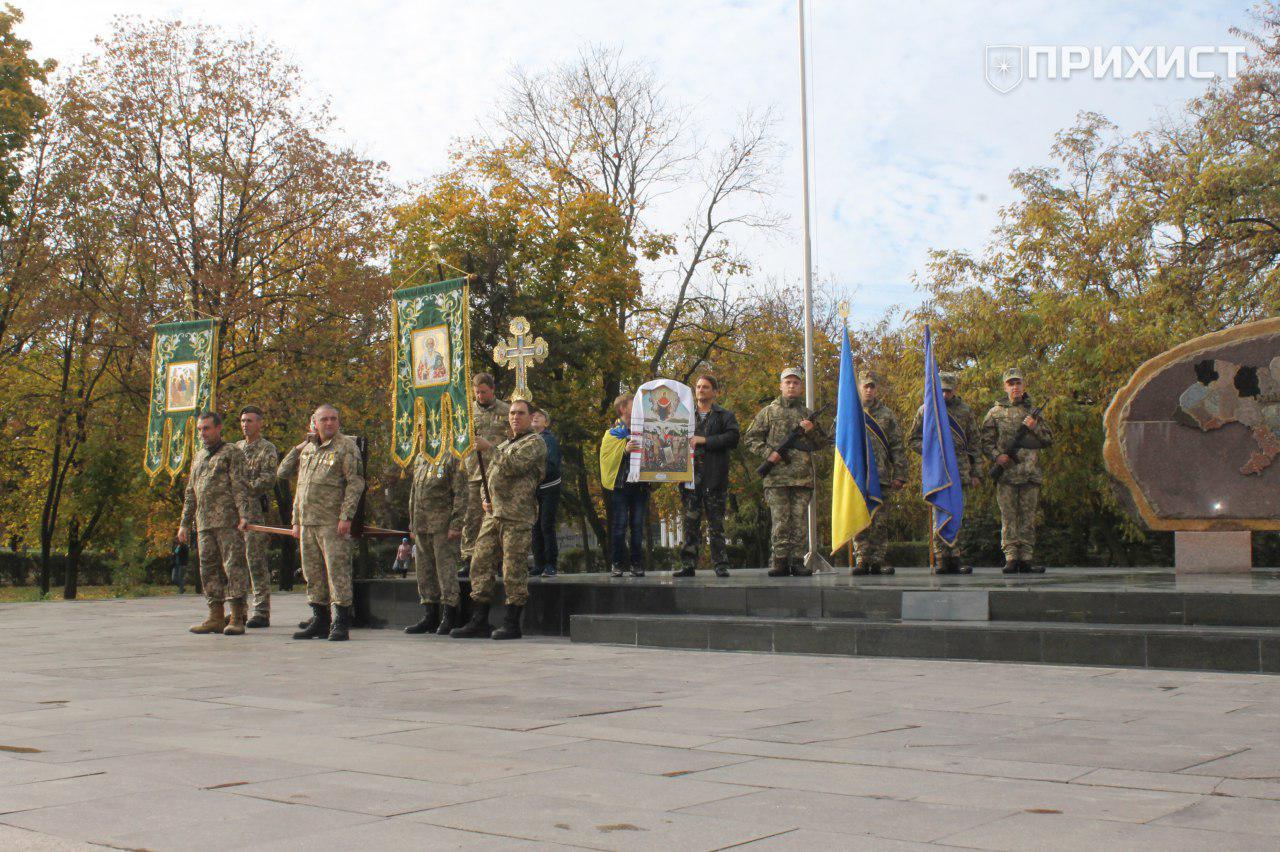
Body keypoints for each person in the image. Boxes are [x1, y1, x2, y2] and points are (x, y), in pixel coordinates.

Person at [451, 398, 547, 640]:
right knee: (480, 563)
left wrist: (488, 449)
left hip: (516, 516)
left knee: (513, 568)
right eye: (512, 413)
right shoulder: (504, 444)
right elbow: (490, 477)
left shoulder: (535, 443)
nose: (515, 417)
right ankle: (479, 619)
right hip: (493, 515)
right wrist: (485, 497)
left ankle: (512, 622)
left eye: (521, 413)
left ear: (530, 417)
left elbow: (512, 466)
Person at [276, 404, 366, 641]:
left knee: (337, 572)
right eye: (324, 419)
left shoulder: (346, 446)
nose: (329, 423)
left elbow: (355, 483)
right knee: (312, 573)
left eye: (333, 419)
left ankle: (340, 621)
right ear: (314, 422)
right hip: (307, 521)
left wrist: (346, 516)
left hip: (331, 522)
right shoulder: (308, 449)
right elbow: (292, 480)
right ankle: (319, 619)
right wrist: (295, 520)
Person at [744, 368, 828, 577]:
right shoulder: (768, 412)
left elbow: (821, 443)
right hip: (776, 478)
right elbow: (751, 438)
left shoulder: (807, 414)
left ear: (801, 387)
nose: (791, 386)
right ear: (781, 385)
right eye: (788, 382)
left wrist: (812, 430)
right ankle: (780, 561)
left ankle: (798, 561)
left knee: (799, 522)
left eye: (796, 383)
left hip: (802, 479)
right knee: (780, 521)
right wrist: (769, 454)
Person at [177, 412, 254, 635]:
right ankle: (215, 615)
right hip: (204, 523)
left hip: (228, 521)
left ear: (218, 428)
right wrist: (184, 523)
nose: (203, 433)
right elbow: (191, 491)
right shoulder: (199, 456)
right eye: (200, 429)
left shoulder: (231, 452)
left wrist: (244, 515)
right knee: (207, 568)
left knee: (233, 567)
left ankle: (237, 616)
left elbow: (240, 486)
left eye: (207, 428)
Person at [981, 368, 1053, 574]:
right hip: (1006, 475)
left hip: (1029, 473)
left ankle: (1027, 558)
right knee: (1009, 517)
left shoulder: (1033, 413)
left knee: (1028, 518)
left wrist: (1035, 427)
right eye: (1011, 384)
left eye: (1018, 383)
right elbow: (985, 442)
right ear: (1005, 387)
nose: (1015, 387)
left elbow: (1048, 439)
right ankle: (1011, 557)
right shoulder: (994, 413)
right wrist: (997, 457)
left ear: (1023, 386)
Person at [908, 371, 981, 574]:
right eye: (942, 391)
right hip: (938, 472)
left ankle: (956, 557)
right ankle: (941, 558)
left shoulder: (965, 411)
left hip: (960, 471)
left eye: (949, 391)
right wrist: (932, 449)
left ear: (955, 390)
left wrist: (977, 472)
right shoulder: (926, 410)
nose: (945, 395)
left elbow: (975, 443)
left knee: (958, 513)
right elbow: (912, 440)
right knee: (939, 512)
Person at [675, 375, 739, 578]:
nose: (701, 390)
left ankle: (720, 564)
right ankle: (688, 564)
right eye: (698, 387)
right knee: (690, 523)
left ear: (714, 391)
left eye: (706, 387)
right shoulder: (685, 415)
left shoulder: (724, 415)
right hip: (690, 477)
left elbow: (733, 437)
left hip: (714, 476)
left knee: (716, 524)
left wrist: (705, 440)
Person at [852, 371, 907, 576]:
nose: (868, 390)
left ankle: (877, 560)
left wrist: (900, 474)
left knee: (880, 522)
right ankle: (861, 559)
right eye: (865, 386)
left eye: (872, 386)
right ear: (859, 388)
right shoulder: (849, 412)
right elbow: (838, 445)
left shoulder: (887, 414)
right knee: (859, 520)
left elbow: (897, 446)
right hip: (857, 478)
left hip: (882, 477)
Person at [405, 453, 466, 635]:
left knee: (445, 570)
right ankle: (430, 614)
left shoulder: (452, 457)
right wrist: (412, 522)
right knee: (424, 571)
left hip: (442, 524)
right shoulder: (420, 458)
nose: (423, 435)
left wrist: (456, 523)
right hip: (422, 524)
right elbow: (414, 493)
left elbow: (461, 493)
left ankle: (450, 613)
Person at [459, 373, 510, 578]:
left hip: (497, 471)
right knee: (471, 518)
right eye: (477, 392)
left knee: (498, 517)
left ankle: (498, 559)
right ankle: (468, 558)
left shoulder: (506, 411)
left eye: (483, 392)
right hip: (473, 471)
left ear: (492, 389)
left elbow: (514, 439)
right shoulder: (467, 412)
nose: (480, 396)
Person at [235, 405, 279, 627]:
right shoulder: (236, 448)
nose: (245, 425)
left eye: (250, 421)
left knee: (256, 561)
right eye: (243, 421)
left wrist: (244, 488)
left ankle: (261, 610)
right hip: (235, 513)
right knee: (236, 562)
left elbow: (269, 479)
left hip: (254, 513)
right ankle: (237, 609)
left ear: (259, 423)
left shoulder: (267, 449)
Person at [599, 393, 650, 578]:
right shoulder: (612, 433)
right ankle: (617, 563)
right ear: (623, 409)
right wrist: (624, 450)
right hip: (621, 487)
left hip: (640, 487)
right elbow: (606, 459)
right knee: (619, 526)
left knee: (637, 526)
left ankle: (637, 564)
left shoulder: (645, 430)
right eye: (633, 404)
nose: (637, 407)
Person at [530, 408, 562, 577]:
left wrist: (532, 473)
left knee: (546, 525)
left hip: (549, 488)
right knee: (535, 527)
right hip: (534, 490)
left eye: (539, 416)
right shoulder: (529, 440)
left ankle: (551, 564)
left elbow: (551, 464)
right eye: (532, 415)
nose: (534, 417)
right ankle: (539, 563)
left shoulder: (549, 440)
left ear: (546, 422)